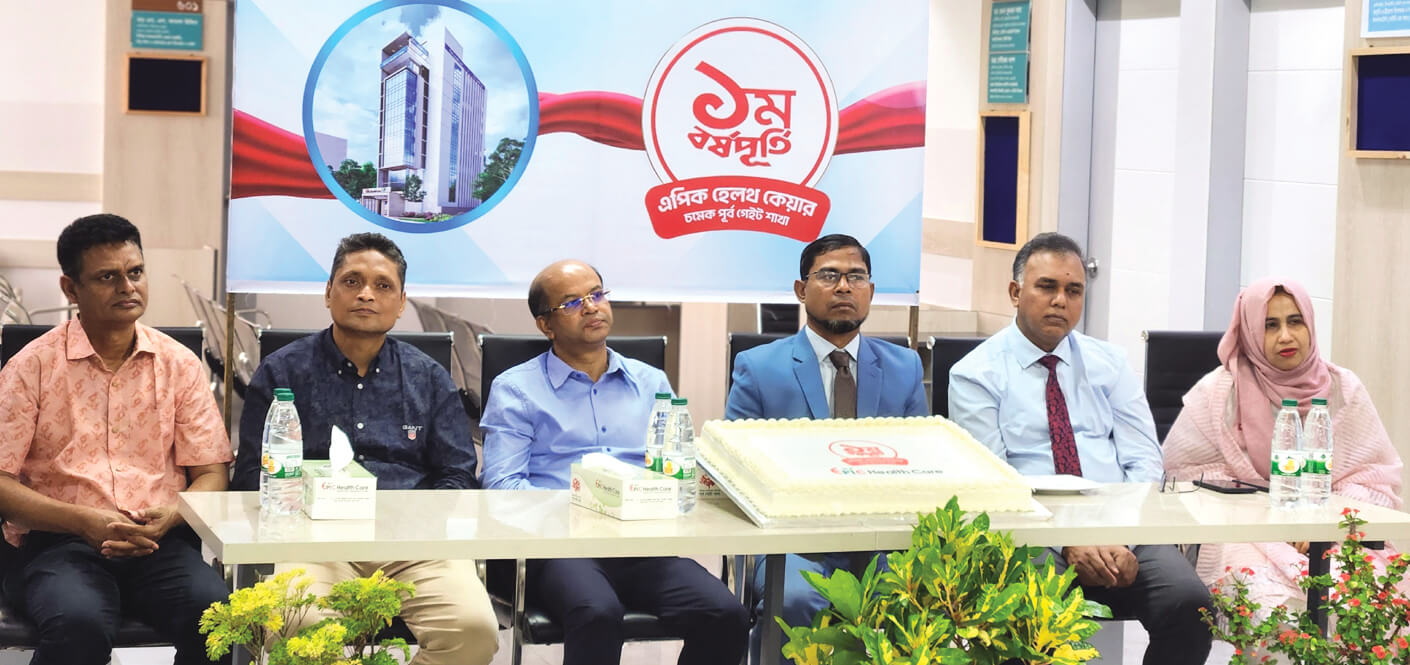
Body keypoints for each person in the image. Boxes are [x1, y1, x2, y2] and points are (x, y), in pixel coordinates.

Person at [232, 233, 497, 665]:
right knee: (302, 628)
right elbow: (250, 475)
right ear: (328, 293)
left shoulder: (427, 377)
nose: (366, 294)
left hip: (413, 545)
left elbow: (457, 473)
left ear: (401, 302)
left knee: (474, 631)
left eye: (383, 285)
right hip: (313, 544)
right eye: (352, 281)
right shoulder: (283, 372)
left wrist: (414, 521)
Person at [948, 232, 1211, 665]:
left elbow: (1144, 461)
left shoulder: (1110, 363)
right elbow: (996, 485)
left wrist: (1121, 537)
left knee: (1190, 605)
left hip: (1120, 528)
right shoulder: (976, 374)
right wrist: (1067, 540)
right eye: (1046, 286)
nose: (1060, 301)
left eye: (1073, 291)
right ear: (1015, 292)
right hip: (1031, 536)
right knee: (1033, 610)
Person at [480, 259, 748, 665]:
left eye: (596, 294)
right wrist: (591, 503)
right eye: (572, 303)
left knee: (726, 614)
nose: (591, 307)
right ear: (545, 325)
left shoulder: (650, 382)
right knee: (597, 612)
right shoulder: (516, 389)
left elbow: (674, 469)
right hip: (557, 548)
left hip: (641, 546)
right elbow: (502, 487)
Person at [0, 214, 232, 665]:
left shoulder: (179, 365)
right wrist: (83, 521)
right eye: (108, 277)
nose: (128, 287)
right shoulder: (31, 367)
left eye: (136, 272)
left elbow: (211, 472)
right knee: (78, 625)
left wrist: (173, 514)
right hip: (61, 544)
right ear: (71, 289)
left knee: (219, 619)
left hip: (158, 542)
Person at [725, 233, 926, 662]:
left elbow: (922, 461)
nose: (844, 287)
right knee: (797, 601)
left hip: (882, 539)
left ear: (871, 289)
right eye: (829, 276)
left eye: (857, 277)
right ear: (801, 289)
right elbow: (735, 469)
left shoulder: (904, 366)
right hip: (792, 541)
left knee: (921, 594)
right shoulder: (759, 367)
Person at [1164, 278, 1404, 610]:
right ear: (1250, 332)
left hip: (1330, 530)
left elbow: (1373, 478)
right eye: (1270, 325)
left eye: (1295, 321)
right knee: (1271, 603)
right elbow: (1186, 479)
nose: (1286, 336)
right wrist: (1274, 520)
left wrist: (1322, 522)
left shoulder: (1343, 389)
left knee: (1373, 600)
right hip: (1241, 534)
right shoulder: (1218, 393)